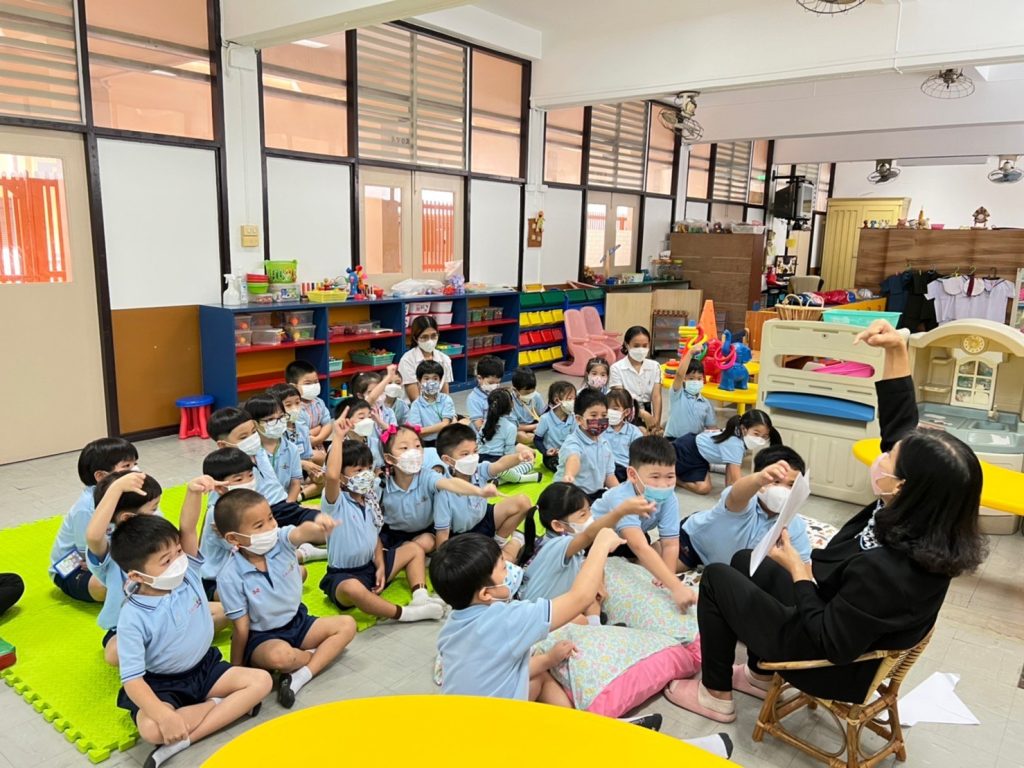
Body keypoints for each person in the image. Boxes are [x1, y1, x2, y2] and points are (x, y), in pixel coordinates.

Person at [664, 320, 988, 724]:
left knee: (716, 578)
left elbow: (829, 640)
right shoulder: (925, 516)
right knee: (749, 561)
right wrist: (896, 351)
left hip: (829, 664)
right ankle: (759, 675)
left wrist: (800, 572)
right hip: (837, 618)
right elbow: (900, 428)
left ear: (903, 486)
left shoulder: (889, 571)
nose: (881, 456)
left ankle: (715, 694)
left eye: (888, 458)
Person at [110, 506, 271, 768]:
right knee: (151, 729)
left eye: (178, 552)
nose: (178, 561)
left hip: (205, 668)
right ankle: (218, 705)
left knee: (261, 681)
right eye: (166, 561)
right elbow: (133, 680)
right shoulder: (132, 616)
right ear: (137, 576)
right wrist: (164, 715)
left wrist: (195, 491)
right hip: (163, 684)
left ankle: (186, 738)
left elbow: (188, 526)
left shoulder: (188, 575)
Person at [430, 528, 625, 704]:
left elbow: (498, 672)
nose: (510, 569)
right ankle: (579, 728)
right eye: (503, 567)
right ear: (486, 593)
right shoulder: (508, 619)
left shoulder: (452, 624)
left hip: (459, 716)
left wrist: (548, 659)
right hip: (495, 725)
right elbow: (580, 597)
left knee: (539, 678)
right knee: (546, 679)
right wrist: (601, 544)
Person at [213, 488, 356, 708]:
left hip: (298, 622)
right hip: (263, 637)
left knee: (347, 625)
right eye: (259, 525)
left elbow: (301, 532)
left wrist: (318, 524)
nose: (270, 527)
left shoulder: (281, 539)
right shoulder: (229, 576)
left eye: (270, 518)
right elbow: (241, 628)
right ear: (233, 538)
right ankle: (313, 656)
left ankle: (300, 676)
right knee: (280, 657)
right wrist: (237, 672)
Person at [319, 427, 445, 623]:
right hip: (344, 575)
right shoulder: (336, 502)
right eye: (358, 471)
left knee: (413, 549)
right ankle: (406, 614)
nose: (366, 474)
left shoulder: (369, 499)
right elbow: (332, 476)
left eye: (369, 469)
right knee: (353, 589)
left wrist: (379, 565)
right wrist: (337, 437)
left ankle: (420, 597)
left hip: (370, 567)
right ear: (343, 477)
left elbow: (374, 538)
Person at [591, 436, 697, 613]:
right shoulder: (622, 497)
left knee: (657, 553)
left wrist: (668, 579)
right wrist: (676, 587)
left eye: (670, 476)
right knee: (597, 584)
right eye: (655, 477)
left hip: (627, 538)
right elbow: (639, 547)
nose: (663, 484)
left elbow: (671, 544)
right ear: (633, 475)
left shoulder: (669, 498)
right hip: (595, 541)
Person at [519, 483, 652, 622]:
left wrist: (598, 581)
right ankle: (594, 629)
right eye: (583, 515)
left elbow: (585, 563)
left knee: (591, 587)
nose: (590, 517)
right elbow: (588, 535)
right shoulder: (557, 545)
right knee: (581, 619)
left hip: (553, 605)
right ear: (558, 525)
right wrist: (619, 512)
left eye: (589, 510)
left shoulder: (564, 542)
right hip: (537, 618)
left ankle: (595, 623)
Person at [679, 446, 811, 570]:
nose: (783, 490)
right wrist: (758, 479)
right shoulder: (747, 501)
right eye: (775, 481)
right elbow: (736, 495)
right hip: (696, 544)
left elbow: (804, 566)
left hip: (722, 567)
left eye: (791, 485)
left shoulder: (794, 524)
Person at [379, 424, 500, 554]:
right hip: (392, 533)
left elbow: (450, 484)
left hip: (424, 533)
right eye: (404, 448)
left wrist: (479, 491)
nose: (413, 452)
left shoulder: (427, 476)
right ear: (389, 458)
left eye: (417, 446)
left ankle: (402, 555)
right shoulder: (381, 483)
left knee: (426, 542)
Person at [85, 470, 164, 666]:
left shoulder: (159, 538)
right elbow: (94, 536)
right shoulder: (111, 548)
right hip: (129, 627)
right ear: (127, 518)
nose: (158, 515)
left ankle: (165, 646)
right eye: (154, 509)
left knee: (222, 612)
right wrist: (116, 489)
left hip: (168, 616)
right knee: (114, 654)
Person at [49, 437, 138, 604]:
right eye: (127, 466)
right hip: (72, 565)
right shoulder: (86, 507)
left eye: (135, 464)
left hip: (112, 555)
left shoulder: (130, 494)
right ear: (101, 476)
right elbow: (87, 553)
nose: (135, 470)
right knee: (113, 586)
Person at [433, 423, 536, 558]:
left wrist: (518, 457)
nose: (473, 457)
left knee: (523, 502)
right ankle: (514, 542)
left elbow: (499, 465)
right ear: (448, 460)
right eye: (465, 454)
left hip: (484, 518)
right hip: (464, 536)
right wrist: (443, 559)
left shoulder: (479, 470)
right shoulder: (444, 489)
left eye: (475, 451)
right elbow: (442, 533)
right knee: (484, 560)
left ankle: (499, 542)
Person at [209, 407, 322, 527]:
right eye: (243, 437)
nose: (252, 438)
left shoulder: (259, 451)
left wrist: (290, 505)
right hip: (254, 516)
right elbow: (216, 500)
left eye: (254, 432)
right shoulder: (224, 465)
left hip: (282, 506)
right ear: (223, 445)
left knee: (324, 522)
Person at [673, 409, 777, 494]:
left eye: (764, 436)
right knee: (703, 488)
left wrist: (728, 489)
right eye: (756, 434)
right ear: (744, 429)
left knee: (704, 487)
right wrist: (756, 489)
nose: (760, 439)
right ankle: (675, 479)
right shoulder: (735, 444)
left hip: (701, 457)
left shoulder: (738, 434)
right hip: (687, 450)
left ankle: (684, 475)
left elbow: (730, 469)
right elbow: (736, 480)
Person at [555, 388, 619, 501]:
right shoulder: (573, 441)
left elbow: (609, 475)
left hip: (595, 494)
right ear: (579, 419)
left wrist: (621, 493)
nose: (599, 420)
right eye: (593, 415)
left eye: (604, 415)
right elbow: (573, 458)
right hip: (570, 495)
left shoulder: (604, 443)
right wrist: (569, 475)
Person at [267, 383, 323, 501]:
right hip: (281, 474)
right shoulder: (275, 431)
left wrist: (315, 475)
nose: (295, 408)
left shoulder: (302, 428)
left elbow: (308, 460)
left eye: (297, 403)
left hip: (299, 476)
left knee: (327, 479)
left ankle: (299, 496)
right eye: (288, 405)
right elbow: (276, 462)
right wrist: (301, 463)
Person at [243, 394, 302, 503]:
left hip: (284, 503)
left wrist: (288, 506)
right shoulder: (250, 451)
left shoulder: (291, 448)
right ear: (254, 423)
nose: (278, 423)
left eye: (281, 417)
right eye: (270, 419)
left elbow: (295, 483)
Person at [477, 389, 540, 484]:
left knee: (501, 470)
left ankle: (498, 480)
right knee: (528, 463)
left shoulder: (486, 422)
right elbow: (509, 454)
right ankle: (521, 478)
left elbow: (478, 442)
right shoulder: (510, 427)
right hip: (497, 462)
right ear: (511, 405)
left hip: (481, 461)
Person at [609, 326, 663, 434]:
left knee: (655, 435)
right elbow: (621, 399)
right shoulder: (616, 368)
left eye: (645, 345)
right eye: (636, 346)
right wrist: (643, 414)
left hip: (647, 410)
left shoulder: (655, 366)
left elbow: (656, 396)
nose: (641, 349)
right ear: (626, 345)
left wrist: (656, 422)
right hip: (626, 411)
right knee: (639, 434)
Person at [399, 316, 455, 401]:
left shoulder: (444, 359)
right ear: (415, 338)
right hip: (414, 406)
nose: (430, 340)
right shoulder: (407, 360)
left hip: (436, 405)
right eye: (424, 337)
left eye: (433, 336)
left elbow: (445, 395)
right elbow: (414, 399)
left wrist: (445, 407)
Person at [665, 350, 717, 441]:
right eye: (691, 378)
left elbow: (712, 428)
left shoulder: (706, 403)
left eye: (699, 379)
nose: (696, 381)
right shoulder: (677, 394)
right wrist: (690, 353)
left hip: (693, 443)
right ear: (684, 379)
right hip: (672, 440)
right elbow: (679, 374)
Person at [405, 360, 456, 446]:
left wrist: (424, 430)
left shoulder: (446, 399)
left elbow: (446, 423)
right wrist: (442, 426)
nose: (431, 382)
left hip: (446, 441)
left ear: (440, 380)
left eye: (435, 378)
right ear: (419, 381)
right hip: (425, 444)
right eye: (426, 379)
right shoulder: (416, 405)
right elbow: (416, 432)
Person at [285, 360, 332, 451]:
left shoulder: (319, 402)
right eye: (308, 383)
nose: (313, 386)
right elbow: (302, 436)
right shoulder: (293, 410)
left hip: (319, 445)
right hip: (301, 450)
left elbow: (328, 424)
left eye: (316, 382)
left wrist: (319, 439)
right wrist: (320, 427)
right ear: (293, 387)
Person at [602, 388, 644, 482]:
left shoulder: (634, 432)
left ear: (626, 412)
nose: (609, 411)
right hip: (602, 467)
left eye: (615, 409)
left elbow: (639, 457)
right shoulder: (600, 428)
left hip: (622, 471)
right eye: (607, 408)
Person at [534, 380, 576, 473]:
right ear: (557, 400)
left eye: (574, 399)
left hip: (569, 453)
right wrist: (545, 451)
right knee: (558, 465)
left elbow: (576, 438)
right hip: (552, 456)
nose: (573, 402)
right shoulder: (545, 418)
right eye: (570, 399)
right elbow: (537, 440)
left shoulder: (573, 417)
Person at [509, 367, 546, 445]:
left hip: (535, 424)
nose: (530, 395)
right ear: (515, 390)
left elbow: (545, 415)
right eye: (526, 393)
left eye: (532, 391)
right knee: (520, 436)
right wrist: (536, 426)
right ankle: (539, 440)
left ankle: (536, 439)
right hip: (520, 428)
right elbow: (515, 426)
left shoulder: (536, 396)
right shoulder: (509, 401)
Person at [466, 355, 504, 431]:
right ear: (479, 378)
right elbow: (479, 426)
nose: (495, 386)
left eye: (498, 383)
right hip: (484, 434)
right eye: (491, 383)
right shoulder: (473, 399)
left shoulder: (501, 394)